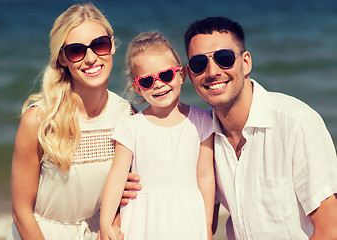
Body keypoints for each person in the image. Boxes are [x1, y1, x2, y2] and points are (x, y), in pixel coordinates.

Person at [122, 17, 337, 239]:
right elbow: (202, 222)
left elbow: (330, 229)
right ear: (189, 74)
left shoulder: (296, 123)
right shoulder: (201, 133)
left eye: (224, 58)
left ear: (246, 63)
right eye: (199, 64)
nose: (212, 71)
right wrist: (136, 185)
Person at [7, 3, 132, 240]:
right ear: (63, 58)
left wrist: (112, 225)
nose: (91, 58)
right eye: (77, 50)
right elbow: (21, 212)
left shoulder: (128, 115)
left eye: (100, 45)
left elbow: (125, 196)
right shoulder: (39, 119)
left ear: (112, 45)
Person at [99, 32, 215, 240]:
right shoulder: (131, 125)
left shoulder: (201, 120)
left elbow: (205, 176)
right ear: (137, 87)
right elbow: (116, 177)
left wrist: (207, 226)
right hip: (142, 221)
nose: (159, 84)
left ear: (181, 75)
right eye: (147, 81)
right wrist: (106, 223)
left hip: (188, 219)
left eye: (166, 75)